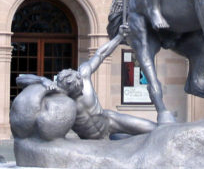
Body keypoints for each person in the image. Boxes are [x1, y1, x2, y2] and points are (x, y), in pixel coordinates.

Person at [13, 25, 156, 140]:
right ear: (67, 88)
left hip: (109, 121)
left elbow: (101, 54)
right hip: (92, 139)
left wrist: (119, 37)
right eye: (76, 87)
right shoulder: (59, 92)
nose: (80, 87)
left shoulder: (84, 73)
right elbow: (20, 78)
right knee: (128, 144)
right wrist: (42, 80)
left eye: (79, 82)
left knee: (153, 129)